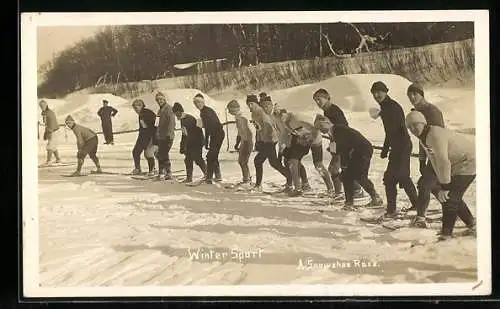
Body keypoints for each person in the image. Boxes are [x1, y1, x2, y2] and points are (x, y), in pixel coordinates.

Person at [405, 111, 476, 241]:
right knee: (453, 196)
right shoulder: (424, 137)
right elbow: (434, 160)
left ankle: (446, 234)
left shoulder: (435, 135)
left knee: (449, 197)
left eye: (415, 125)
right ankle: (472, 224)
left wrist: (445, 186)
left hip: (469, 160)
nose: (413, 129)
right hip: (458, 163)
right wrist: (441, 182)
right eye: (410, 127)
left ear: (423, 123)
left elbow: (443, 161)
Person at [369, 81, 418, 220]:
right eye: (374, 93)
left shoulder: (392, 107)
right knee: (398, 177)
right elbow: (389, 131)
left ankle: (392, 210)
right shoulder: (385, 107)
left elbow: (398, 130)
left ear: (386, 92)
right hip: (398, 147)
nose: (377, 95)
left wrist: (393, 149)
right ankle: (416, 204)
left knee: (392, 178)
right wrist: (387, 148)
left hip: (402, 146)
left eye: (379, 92)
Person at [315, 115, 383, 209]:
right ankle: (374, 198)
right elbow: (342, 147)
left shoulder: (338, 130)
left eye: (321, 126)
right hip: (360, 151)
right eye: (318, 128)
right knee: (357, 177)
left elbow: (344, 147)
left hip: (361, 151)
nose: (320, 130)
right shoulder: (334, 132)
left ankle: (351, 203)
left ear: (327, 123)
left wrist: (342, 163)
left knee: (350, 177)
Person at [313, 89, 364, 201]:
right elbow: (332, 132)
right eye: (315, 100)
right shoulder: (327, 111)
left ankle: (341, 193)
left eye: (319, 99)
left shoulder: (333, 111)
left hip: (344, 143)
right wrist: (332, 147)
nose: (317, 102)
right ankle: (356, 190)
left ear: (327, 98)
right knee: (343, 168)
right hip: (338, 143)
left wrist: (336, 146)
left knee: (334, 169)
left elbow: (342, 128)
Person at [406, 83, 446, 228]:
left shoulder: (432, 111)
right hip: (430, 155)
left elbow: (438, 137)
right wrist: (422, 160)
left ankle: (420, 218)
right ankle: (453, 209)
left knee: (425, 184)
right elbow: (421, 139)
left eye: (414, 94)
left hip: (440, 154)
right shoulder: (417, 113)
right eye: (409, 95)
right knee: (433, 185)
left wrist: (434, 159)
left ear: (421, 94)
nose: (411, 97)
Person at [278, 110, 335, 197]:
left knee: (318, 165)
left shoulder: (297, 117)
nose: (281, 117)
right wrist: (282, 146)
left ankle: (330, 189)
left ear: (287, 113)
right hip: (303, 140)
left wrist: (310, 139)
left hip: (315, 139)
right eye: (278, 116)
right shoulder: (285, 123)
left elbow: (315, 128)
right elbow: (285, 135)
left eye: (282, 115)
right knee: (293, 161)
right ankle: (298, 189)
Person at [247, 94, 291, 192]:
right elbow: (258, 129)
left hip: (270, 140)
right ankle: (290, 178)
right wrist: (258, 141)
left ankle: (258, 185)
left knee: (258, 161)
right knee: (274, 163)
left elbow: (269, 128)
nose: (250, 106)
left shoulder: (261, 113)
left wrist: (266, 141)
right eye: (248, 105)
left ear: (256, 104)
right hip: (265, 140)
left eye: (252, 104)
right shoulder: (254, 113)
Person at [193, 93, 225, 184]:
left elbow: (209, 127)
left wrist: (207, 140)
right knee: (213, 156)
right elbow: (207, 127)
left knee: (210, 156)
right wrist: (207, 140)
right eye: (195, 103)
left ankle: (209, 178)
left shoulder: (206, 111)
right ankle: (217, 176)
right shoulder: (204, 111)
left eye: (199, 102)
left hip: (217, 134)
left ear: (203, 102)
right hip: (216, 135)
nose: (197, 104)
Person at [172, 102, 207, 183]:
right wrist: (182, 146)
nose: (176, 115)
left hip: (197, 141)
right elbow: (184, 134)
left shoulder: (188, 119)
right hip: (191, 141)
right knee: (188, 159)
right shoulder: (182, 119)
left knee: (197, 159)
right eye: (174, 114)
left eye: (176, 113)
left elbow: (192, 134)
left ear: (180, 111)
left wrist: (185, 146)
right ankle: (189, 178)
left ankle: (207, 174)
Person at [227, 99, 253, 186]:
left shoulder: (242, 117)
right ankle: (246, 178)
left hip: (247, 141)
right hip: (244, 141)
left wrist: (245, 142)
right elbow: (240, 132)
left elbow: (248, 131)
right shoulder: (238, 117)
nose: (229, 112)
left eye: (230, 110)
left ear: (235, 109)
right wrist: (238, 142)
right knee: (241, 161)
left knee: (243, 161)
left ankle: (247, 179)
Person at [130, 99, 157, 176]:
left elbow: (154, 125)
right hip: (144, 136)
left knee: (144, 152)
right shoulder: (142, 114)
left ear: (141, 106)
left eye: (136, 107)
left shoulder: (146, 113)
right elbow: (144, 127)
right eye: (134, 108)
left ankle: (151, 169)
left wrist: (153, 138)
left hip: (149, 136)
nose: (135, 109)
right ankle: (142, 168)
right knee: (137, 152)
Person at [155, 91, 176, 180]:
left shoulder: (169, 109)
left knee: (162, 154)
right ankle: (164, 172)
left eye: (161, 99)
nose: (159, 101)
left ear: (164, 99)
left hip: (167, 136)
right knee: (161, 154)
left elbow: (172, 123)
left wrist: (169, 135)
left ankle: (166, 172)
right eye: (158, 100)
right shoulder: (159, 110)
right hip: (160, 136)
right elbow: (156, 124)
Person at [39, 100, 62, 165]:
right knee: (53, 146)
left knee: (49, 146)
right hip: (52, 130)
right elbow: (46, 123)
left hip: (53, 131)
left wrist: (48, 132)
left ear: (46, 105)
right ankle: (58, 159)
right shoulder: (45, 112)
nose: (42, 107)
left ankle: (48, 161)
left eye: (43, 105)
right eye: (40, 106)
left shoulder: (49, 113)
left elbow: (51, 123)